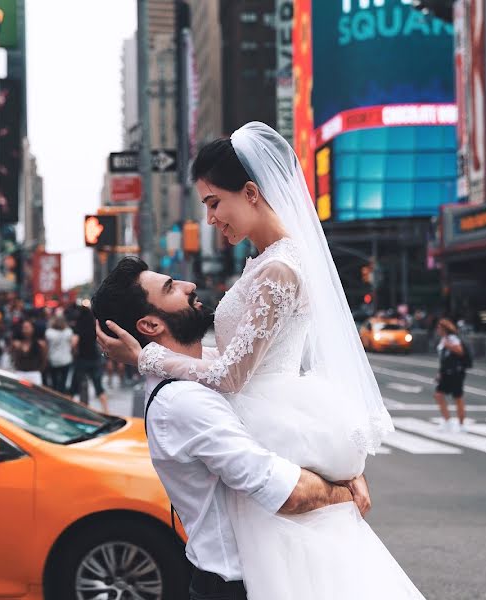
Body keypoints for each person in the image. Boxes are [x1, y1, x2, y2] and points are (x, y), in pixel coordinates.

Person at [97, 123, 421, 600]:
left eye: (213, 204)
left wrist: (149, 357)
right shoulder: (262, 259)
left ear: (250, 192)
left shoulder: (279, 269)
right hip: (261, 405)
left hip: (266, 408)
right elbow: (232, 359)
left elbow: (231, 373)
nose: (210, 219)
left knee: (293, 553)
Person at [93, 257, 376, 600]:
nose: (189, 285)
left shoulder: (201, 374)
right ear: (151, 325)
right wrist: (346, 494)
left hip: (264, 574)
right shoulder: (185, 401)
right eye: (170, 287)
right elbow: (286, 491)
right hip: (237, 586)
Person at [71, 306, 109, 412]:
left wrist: (74, 352)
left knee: (75, 386)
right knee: (98, 386)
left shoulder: (78, 327)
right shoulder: (94, 326)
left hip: (82, 359)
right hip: (94, 359)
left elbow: (74, 343)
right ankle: (106, 410)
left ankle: (71, 409)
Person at [434, 318, 468, 433]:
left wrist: (448, 345)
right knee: (439, 395)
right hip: (445, 372)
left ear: (444, 329)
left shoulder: (452, 339)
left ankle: (461, 424)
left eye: (439, 328)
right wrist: (440, 372)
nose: (437, 330)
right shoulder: (444, 339)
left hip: (455, 372)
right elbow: (443, 358)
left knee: (457, 397)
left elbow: (460, 351)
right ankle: (448, 421)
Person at [9, 318, 47, 385]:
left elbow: (44, 361)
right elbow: (13, 358)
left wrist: (38, 370)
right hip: (20, 373)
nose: (25, 330)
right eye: (23, 328)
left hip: (34, 374)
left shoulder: (40, 344)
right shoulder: (17, 344)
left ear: (33, 329)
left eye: (27, 328)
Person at [44, 314, 73, 393]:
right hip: (66, 359)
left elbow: (46, 347)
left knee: (54, 382)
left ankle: (55, 395)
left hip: (53, 359)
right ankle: (62, 395)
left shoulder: (49, 332)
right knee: (63, 381)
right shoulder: (68, 332)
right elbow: (72, 344)